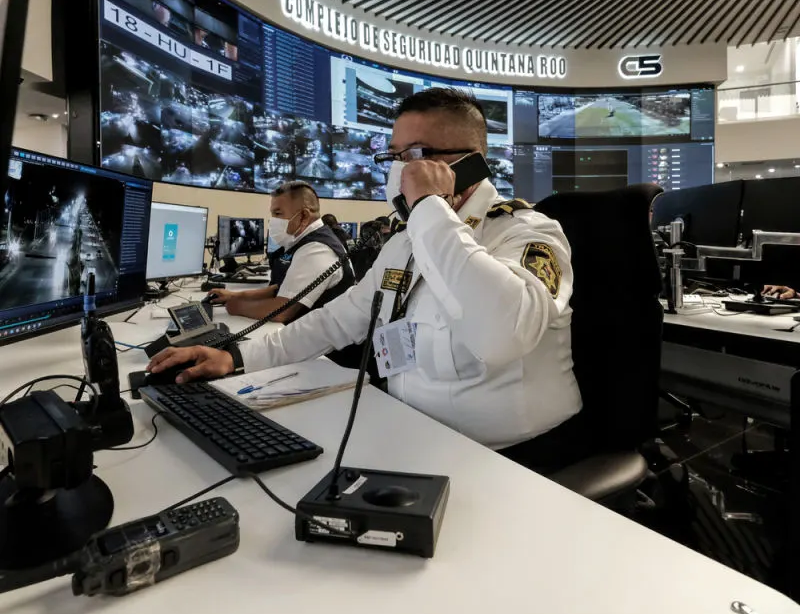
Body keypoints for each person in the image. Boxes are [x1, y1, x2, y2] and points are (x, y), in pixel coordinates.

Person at [148, 89, 583, 471]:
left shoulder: (528, 233)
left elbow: (500, 334)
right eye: (393, 156)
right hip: (411, 439)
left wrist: (431, 207)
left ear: (467, 165)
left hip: (514, 461)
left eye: (413, 156)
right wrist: (237, 357)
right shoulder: (405, 245)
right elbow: (335, 321)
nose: (398, 171)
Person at [210, 181, 354, 324]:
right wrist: (234, 296)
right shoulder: (302, 241)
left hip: (322, 342)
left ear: (303, 216)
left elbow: (283, 310)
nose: (273, 221)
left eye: (278, 213)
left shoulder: (317, 249)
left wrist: (236, 307)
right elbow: (280, 289)